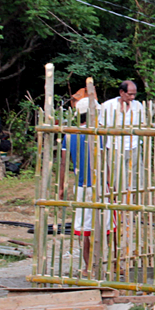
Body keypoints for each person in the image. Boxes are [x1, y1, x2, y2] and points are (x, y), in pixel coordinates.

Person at [98, 81, 145, 246]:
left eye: (134, 94)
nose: (132, 97)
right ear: (121, 93)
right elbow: (102, 126)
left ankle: (134, 207)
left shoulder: (138, 106)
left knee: (136, 179)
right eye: (129, 94)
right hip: (116, 146)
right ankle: (120, 211)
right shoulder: (107, 106)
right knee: (119, 180)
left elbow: (142, 125)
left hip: (133, 146)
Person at [61, 97, 96, 273]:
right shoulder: (97, 134)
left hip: (81, 186)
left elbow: (63, 163)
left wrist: (61, 187)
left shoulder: (69, 135)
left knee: (84, 227)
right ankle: (108, 264)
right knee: (105, 227)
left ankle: (88, 265)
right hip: (97, 185)